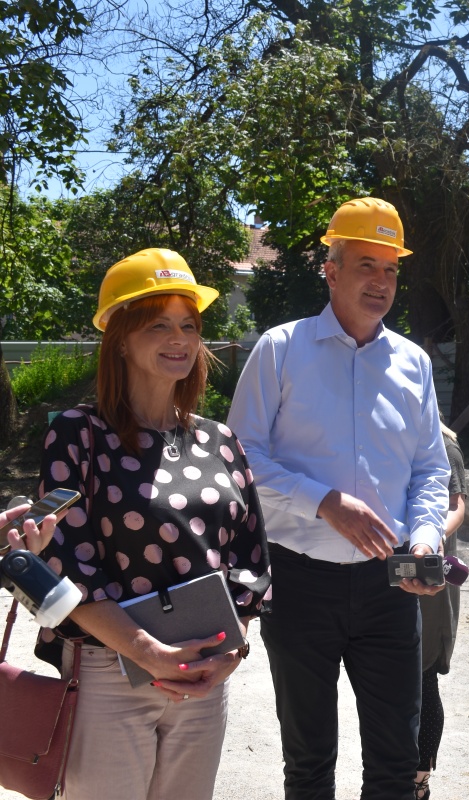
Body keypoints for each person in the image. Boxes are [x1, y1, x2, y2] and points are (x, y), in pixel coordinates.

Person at [227, 197, 450, 800]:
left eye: (391, 269)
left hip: (390, 587)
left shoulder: (414, 364)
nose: (381, 282)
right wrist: (323, 502)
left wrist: (425, 537)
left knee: (396, 764)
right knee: (308, 764)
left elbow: (430, 469)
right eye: (365, 265)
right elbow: (240, 458)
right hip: (298, 585)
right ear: (331, 271)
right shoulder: (280, 349)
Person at [33, 248, 271, 800]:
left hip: (204, 672)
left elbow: (249, 556)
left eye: (188, 325)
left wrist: (232, 651)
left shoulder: (220, 440)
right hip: (107, 670)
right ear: (120, 338)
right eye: (158, 324)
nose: (179, 338)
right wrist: (145, 651)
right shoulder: (78, 435)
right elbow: (64, 565)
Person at [415, 421, 467, 800]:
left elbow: (456, 509)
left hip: (431, 576)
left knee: (424, 677)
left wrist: (431, 538)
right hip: (392, 572)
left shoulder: (446, 447)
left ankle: (419, 780)